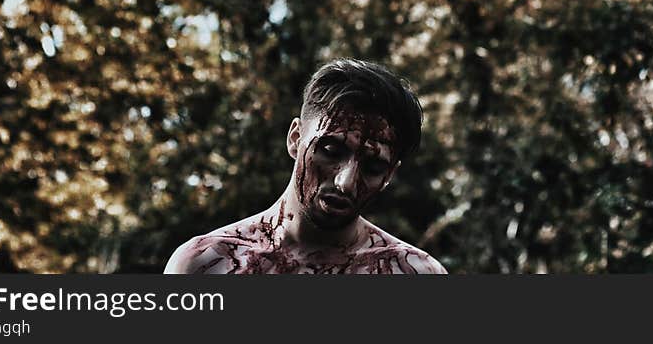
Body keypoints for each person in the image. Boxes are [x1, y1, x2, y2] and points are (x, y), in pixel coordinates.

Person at [164, 58, 447, 274]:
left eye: (372, 167)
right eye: (331, 151)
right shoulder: (207, 265)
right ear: (295, 138)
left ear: (389, 175)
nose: (345, 183)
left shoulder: (414, 273)